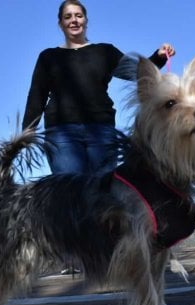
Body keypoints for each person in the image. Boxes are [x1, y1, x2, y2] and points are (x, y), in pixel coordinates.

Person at [22, 0, 175, 177]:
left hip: (101, 130)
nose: (74, 20)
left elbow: (135, 72)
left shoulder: (105, 51)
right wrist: (28, 131)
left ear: (86, 20)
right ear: (61, 24)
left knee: (103, 192)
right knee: (70, 190)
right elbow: (37, 95)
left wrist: (159, 57)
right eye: (68, 17)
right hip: (62, 133)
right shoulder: (48, 57)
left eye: (79, 16)